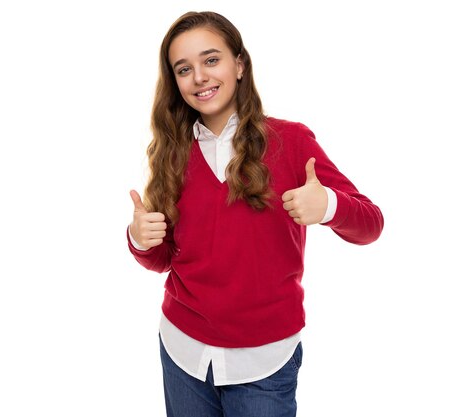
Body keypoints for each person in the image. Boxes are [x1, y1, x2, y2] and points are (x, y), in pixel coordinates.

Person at [127, 11, 383, 417]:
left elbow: (371, 225)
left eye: (211, 60)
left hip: (264, 364)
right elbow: (163, 260)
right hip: (183, 353)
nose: (199, 77)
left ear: (239, 64)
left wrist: (329, 206)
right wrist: (140, 239)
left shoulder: (291, 141)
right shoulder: (171, 154)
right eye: (184, 68)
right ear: (174, 82)